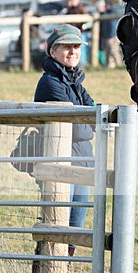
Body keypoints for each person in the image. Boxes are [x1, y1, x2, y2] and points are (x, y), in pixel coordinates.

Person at [34, 25, 94, 254]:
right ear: (52, 52)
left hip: (83, 165)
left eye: (77, 46)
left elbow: (92, 115)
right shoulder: (50, 83)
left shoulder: (76, 81)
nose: (73, 52)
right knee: (54, 228)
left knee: (74, 233)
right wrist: (87, 121)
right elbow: (81, 130)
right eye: (67, 47)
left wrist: (86, 120)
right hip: (59, 167)